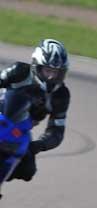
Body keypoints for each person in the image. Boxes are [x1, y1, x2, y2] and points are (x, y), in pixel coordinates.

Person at [0, 39, 70, 186]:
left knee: (27, 170)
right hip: (1, 116)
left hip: (19, 131)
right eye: (48, 70)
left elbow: (57, 130)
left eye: (56, 73)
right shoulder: (19, 71)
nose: (51, 77)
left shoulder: (61, 95)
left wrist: (38, 145)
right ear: (36, 66)